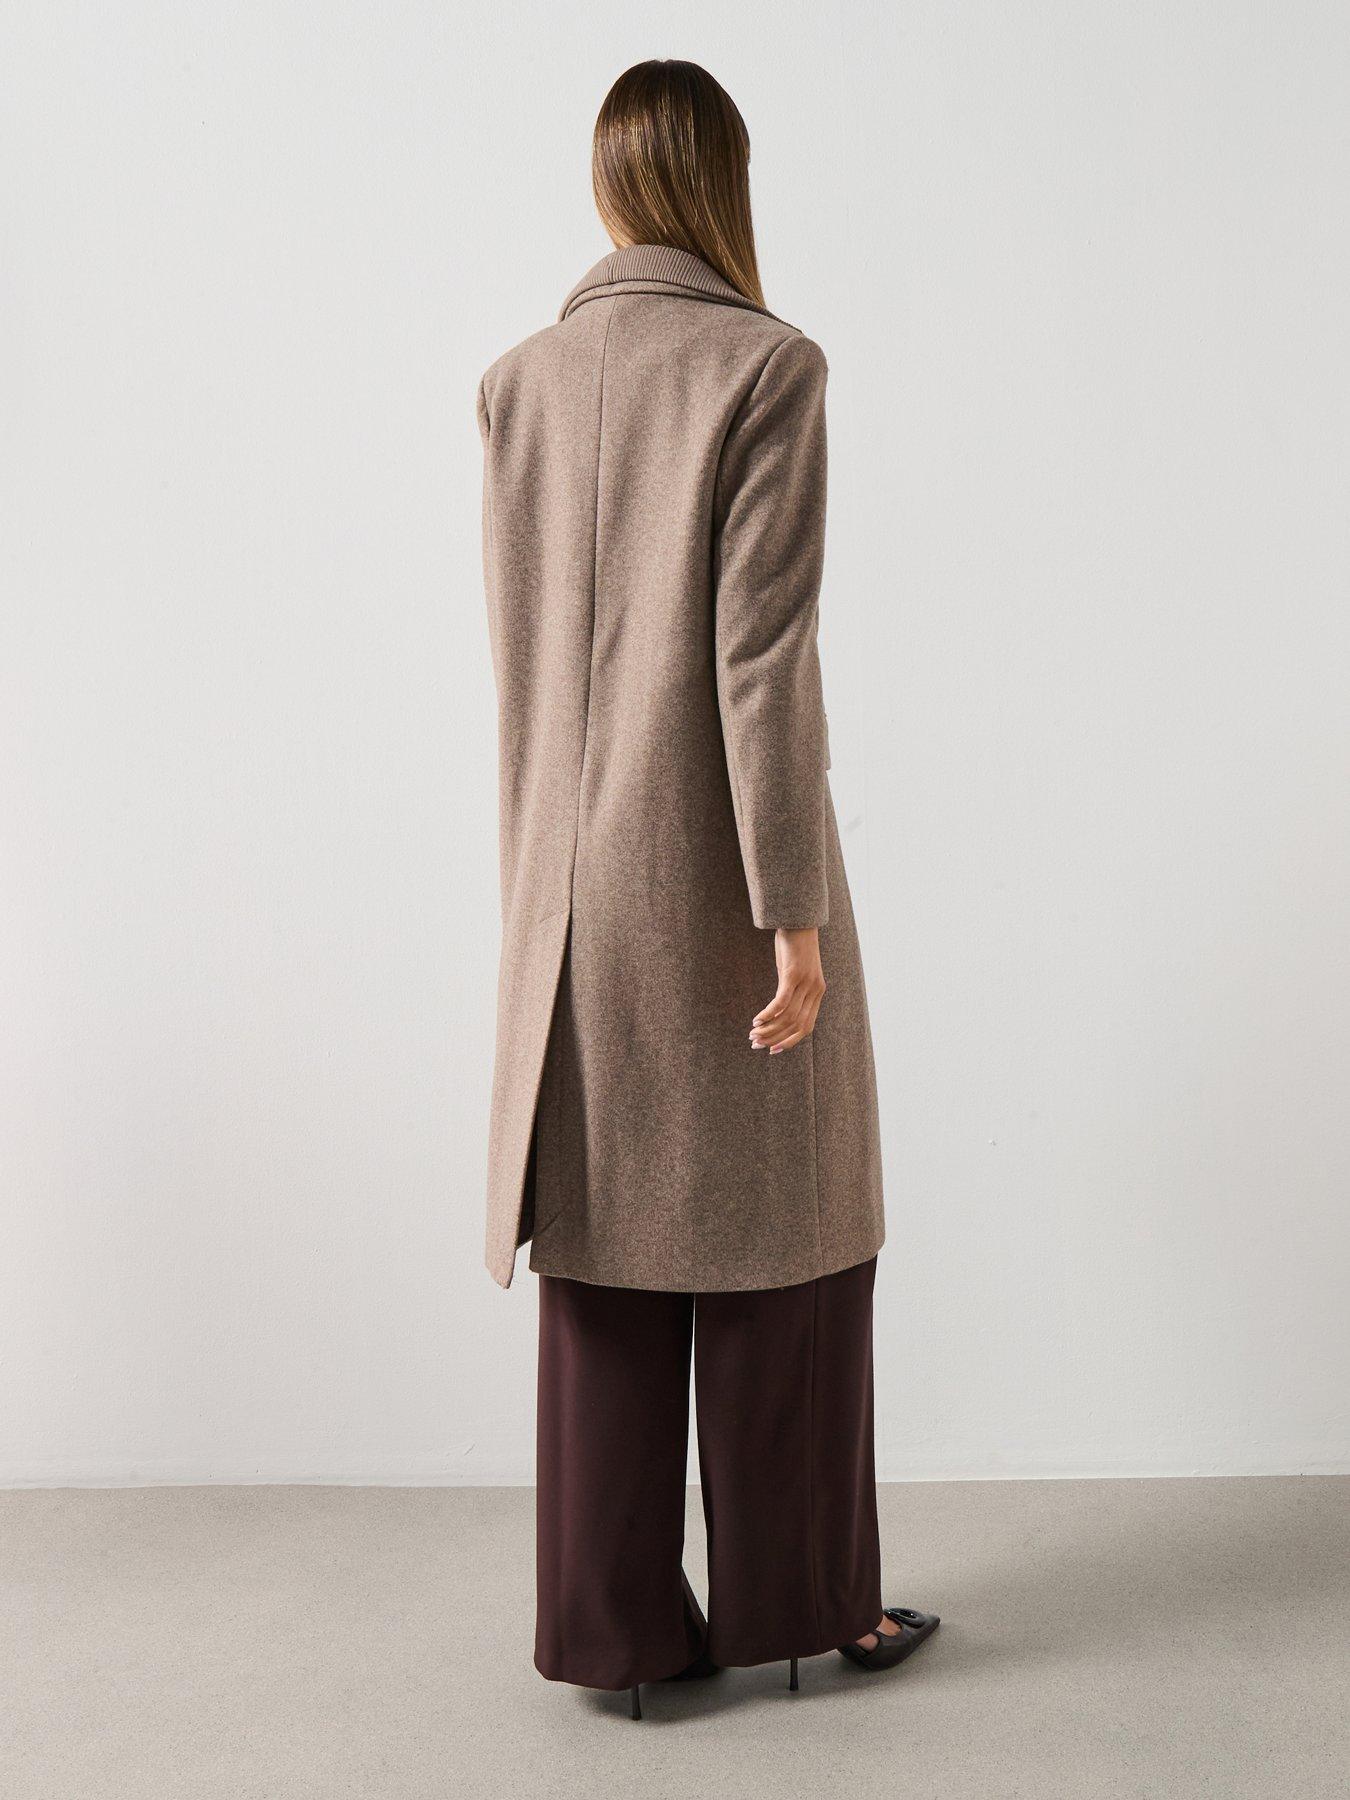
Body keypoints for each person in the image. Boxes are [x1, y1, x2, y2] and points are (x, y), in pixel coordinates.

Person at [476, 58, 939, 1716]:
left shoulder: (517, 384)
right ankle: (804, 1609)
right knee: (785, 1239)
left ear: (610, 187)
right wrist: (792, 921)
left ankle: (616, 1641)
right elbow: (760, 664)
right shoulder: (766, 364)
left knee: (609, 1259)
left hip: (565, 901)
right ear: (721, 184)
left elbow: (526, 665)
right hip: (723, 879)